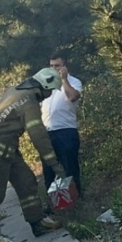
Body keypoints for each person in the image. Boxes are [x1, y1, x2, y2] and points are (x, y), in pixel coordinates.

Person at [0, 67, 67, 237]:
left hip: (8, 150)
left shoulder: (15, 90)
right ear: (44, 87)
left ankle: (37, 222)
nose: (50, 94)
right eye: (51, 91)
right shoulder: (29, 101)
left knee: (26, 181)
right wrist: (54, 164)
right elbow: (38, 135)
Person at [41, 52, 83, 197]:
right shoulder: (47, 85)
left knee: (69, 167)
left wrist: (64, 79)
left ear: (65, 66)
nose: (54, 69)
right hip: (48, 132)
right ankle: (53, 204)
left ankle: (76, 199)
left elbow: (72, 97)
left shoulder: (74, 82)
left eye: (57, 66)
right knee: (48, 170)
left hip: (66, 131)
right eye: (51, 66)